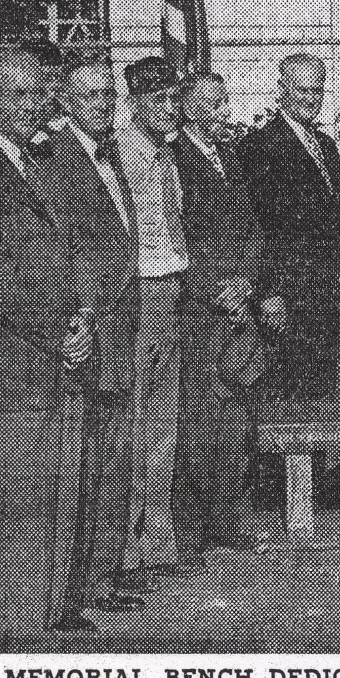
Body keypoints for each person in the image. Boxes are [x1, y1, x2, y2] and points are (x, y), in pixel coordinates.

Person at [0, 48, 94, 632]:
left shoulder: (48, 160)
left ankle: (60, 610)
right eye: (24, 94)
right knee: (22, 493)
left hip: (64, 345)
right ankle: (20, 620)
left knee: (65, 483)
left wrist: (82, 318)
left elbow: (81, 244)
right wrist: (59, 329)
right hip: (13, 356)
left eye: (41, 91)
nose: (38, 103)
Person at [47, 55, 141, 615]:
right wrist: (81, 317)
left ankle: (102, 578)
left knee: (112, 460)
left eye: (108, 97)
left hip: (118, 320)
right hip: (92, 327)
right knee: (90, 465)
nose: (105, 107)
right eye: (92, 98)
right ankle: (77, 588)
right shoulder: (63, 161)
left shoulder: (103, 157)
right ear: (70, 103)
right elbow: (68, 251)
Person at [172, 72, 269, 556]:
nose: (221, 111)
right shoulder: (175, 161)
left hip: (237, 302)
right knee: (199, 416)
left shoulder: (229, 157)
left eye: (224, 101)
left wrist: (246, 283)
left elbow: (253, 226)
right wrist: (217, 289)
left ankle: (230, 519)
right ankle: (194, 525)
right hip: (201, 308)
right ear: (188, 108)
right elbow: (179, 237)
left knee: (236, 413)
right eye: (210, 104)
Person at [116, 57, 190, 586]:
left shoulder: (167, 153)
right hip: (136, 292)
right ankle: (125, 550)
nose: (171, 109)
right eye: (161, 100)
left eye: (173, 98)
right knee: (134, 421)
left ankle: (159, 540)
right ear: (136, 100)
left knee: (164, 421)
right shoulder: (121, 152)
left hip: (171, 285)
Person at [239, 53, 340, 399]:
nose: (310, 99)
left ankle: (317, 455)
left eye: (316, 91)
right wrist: (268, 291)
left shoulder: (327, 146)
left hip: (326, 288)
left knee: (321, 391)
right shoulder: (261, 146)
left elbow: (334, 218)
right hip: (288, 292)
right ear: (281, 89)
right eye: (302, 90)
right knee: (289, 394)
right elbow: (260, 226)